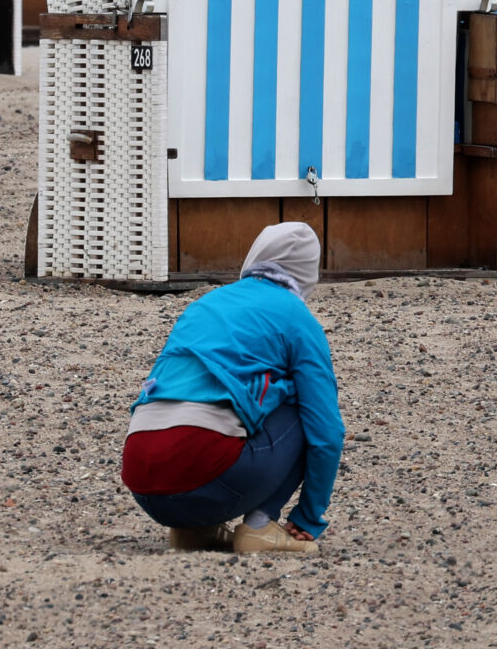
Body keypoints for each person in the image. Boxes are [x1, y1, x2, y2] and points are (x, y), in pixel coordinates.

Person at [119, 223, 342, 556]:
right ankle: (258, 528)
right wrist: (308, 517)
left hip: (142, 479)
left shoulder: (205, 304)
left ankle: (193, 531)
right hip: (209, 475)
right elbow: (327, 433)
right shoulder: (297, 317)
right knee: (302, 403)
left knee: (213, 396)